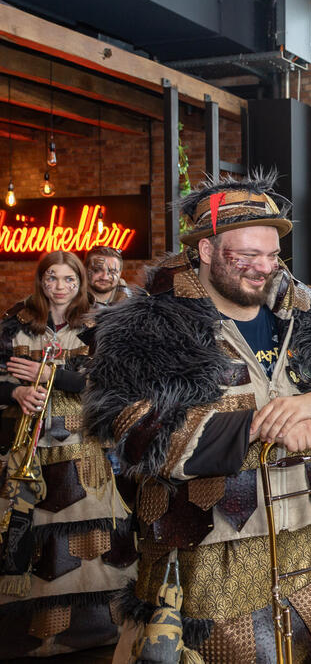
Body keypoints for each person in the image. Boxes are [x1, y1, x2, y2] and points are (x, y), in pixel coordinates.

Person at [84, 174, 311, 663]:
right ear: (204, 250)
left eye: (271, 255)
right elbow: (138, 431)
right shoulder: (148, 328)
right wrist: (264, 425)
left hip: (306, 542)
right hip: (205, 554)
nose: (263, 269)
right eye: (245, 255)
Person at [0, 251, 137, 659]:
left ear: (80, 283)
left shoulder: (102, 323)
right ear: (41, 281)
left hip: (85, 449)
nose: (59, 287)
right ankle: (32, 637)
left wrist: (47, 375)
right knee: (26, 532)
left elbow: (107, 384)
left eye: (68, 279)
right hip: (28, 449)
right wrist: (16, 391)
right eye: (51, 278)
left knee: (93, 536)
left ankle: (98, 633)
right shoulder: (13, 323)